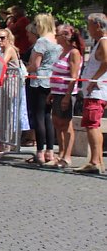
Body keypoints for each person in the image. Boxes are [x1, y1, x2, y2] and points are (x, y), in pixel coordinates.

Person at [25, 13, 62, 166]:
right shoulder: (57, 42)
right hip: (52, 80)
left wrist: (25, 69)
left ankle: (40, 151)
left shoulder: (42, 41)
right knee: (47, 116)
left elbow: (35, 65)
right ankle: (50, 151)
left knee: (39, 116)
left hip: (39, 80)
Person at [74, 13, 107, 174]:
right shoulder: (100, 42)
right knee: (92, 125)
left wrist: (93, 80)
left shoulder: (103, 41)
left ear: (98, 26)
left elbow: (106, 62)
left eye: (89, 25)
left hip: (96, 92)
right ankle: (97, 161)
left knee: (92, 125)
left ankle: (95, 161)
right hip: (94, 91)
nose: (88, 29)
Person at [47, 24, 83, 169]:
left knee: (66, 124)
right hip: (56, 92)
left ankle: (67, 156)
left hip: (66, 93)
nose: (55, 37)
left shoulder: (73, 53)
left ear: (64, 36)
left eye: (57, 34)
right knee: (56, 123)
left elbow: (74, 77)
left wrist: (67, 96)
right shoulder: (61, 52)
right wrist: (51, 91)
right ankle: (60, 153)